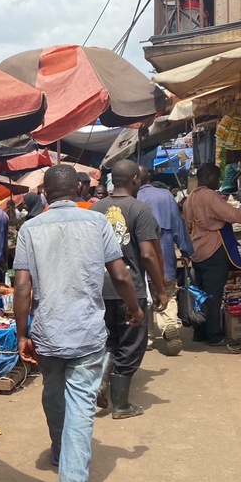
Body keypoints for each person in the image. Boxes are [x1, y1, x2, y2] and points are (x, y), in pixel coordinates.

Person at [13, 164, 142, 482]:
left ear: (45, 194)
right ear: (80, 192)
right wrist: (133, 308)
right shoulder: (97, 223)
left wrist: (21, 332)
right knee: (81, 403)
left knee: (53, 394)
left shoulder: (29, 229)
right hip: (86, 331)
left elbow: (22, 286)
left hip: (48, 330)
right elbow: (121, 274)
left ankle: (59, 450)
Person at [92, 160, 167, 418]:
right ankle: (121, 405)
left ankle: (101, 382)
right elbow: (147, 254)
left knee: (109, 340)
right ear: (136, 179)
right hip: (130, 289)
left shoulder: (95, 208)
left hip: (99, 289)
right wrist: (161, 288)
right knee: (132, 344)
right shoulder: (140, 210)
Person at [183, 163, 241, 345]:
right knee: (213, 295)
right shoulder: (208, 196)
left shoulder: (190, 197)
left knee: (200, 293)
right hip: (213, 250)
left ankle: (200, 331)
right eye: (216, 178)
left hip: (197, 250)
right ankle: (215, 336)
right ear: (207, 177)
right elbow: (232, 215)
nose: (219, 181)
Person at [137, 166, 193, 356]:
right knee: (166, 289)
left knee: (143, 296)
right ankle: (169, 324)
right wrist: (185, 250)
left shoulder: (131, 199)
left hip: (138, 252)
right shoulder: (165, 196)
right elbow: (178, 224)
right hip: (164, 248)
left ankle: (147, 338)